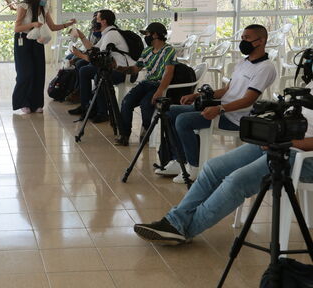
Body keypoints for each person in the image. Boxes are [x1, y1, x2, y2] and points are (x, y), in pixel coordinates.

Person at [134, 96, 313, 245]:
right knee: (213, 168)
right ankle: (175, 222)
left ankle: (182, 230)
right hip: (282, 142)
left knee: (237, 182)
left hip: (304, 156)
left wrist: (288, 144)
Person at [158, 24, 277, 182]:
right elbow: (227, 89)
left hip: (235, 117)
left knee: (183, 121)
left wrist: (220, 108)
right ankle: (179, 159)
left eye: (247, 38)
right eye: (242, 38)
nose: (243, 41)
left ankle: (194, 167)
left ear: (261, 41)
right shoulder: (243, 63)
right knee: (169, 111)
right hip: (222, 108)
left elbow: (248, 100)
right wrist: (196, 95)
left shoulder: (265, 68)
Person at [12, 0, 76, 114]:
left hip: (37, 40)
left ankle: (36, 104)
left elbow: (52, 27)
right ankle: (23, 102)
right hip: (23, 40)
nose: (46, 0)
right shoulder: (24, 6)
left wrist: (67, 24)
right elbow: (17, 28)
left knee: (39, 72)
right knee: (26, 73)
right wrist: (32, 24)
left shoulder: (43, 8)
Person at [114, 22, 176, 146]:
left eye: (147, 34)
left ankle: (146, 130)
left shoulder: (168, 50)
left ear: (155, 35)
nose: (145, 37)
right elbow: (136, 68)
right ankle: (125, 135)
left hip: (157, 85)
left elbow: (168, 73)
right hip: (146, 83)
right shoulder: (147, 50)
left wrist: (159, 91)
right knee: (126, 102)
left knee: (146, 104)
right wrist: (119, 68)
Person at [67, 10, 132, 123]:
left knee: (97, 74)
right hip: (112, 66)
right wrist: (82, 36)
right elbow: (93, 49)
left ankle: (101, 112)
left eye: (96, 19)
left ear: (103, 21)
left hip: (121, 70)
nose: (94, 22)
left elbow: (98, 59)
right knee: (85, 70)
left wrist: (80, 55)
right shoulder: (107, 33)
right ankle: (86, 106)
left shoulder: (111, 34)